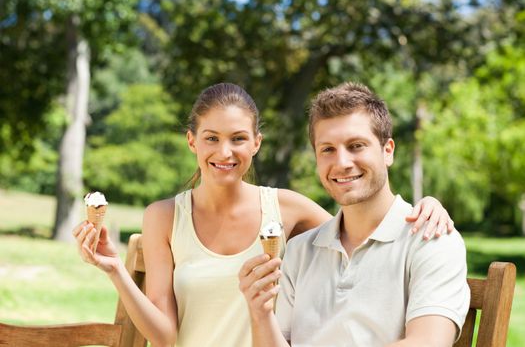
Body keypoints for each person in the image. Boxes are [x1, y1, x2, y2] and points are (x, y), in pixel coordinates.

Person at [73, 83, 455, 347]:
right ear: (192, 141)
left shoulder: (289, 213)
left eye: (238, 138)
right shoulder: (165, 216)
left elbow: (360, 228)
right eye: (211, 138)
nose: (225, 152)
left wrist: (426, 209)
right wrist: (115, 269)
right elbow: (166, 335)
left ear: (256, 143)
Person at [239, 82, 470, 347]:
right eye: (327, 149)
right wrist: (260, 313)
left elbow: (429, 342)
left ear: (388, 151)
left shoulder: (431, 239)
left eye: (356, 145)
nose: (342, 163)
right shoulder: (300, 251)